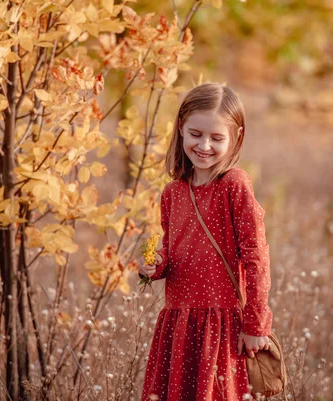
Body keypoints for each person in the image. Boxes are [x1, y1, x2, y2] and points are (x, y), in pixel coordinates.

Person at [138, 82, 273, 401]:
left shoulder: (233, 185)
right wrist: (154, 268)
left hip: (220, 325)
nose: (205, 146)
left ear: (237, 136)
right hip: (179, 322)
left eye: (217, 137)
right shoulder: (173, 192)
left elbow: (256, 256)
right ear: (181, 128)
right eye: (196, 134)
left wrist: (255, 324)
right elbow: (171, 250)